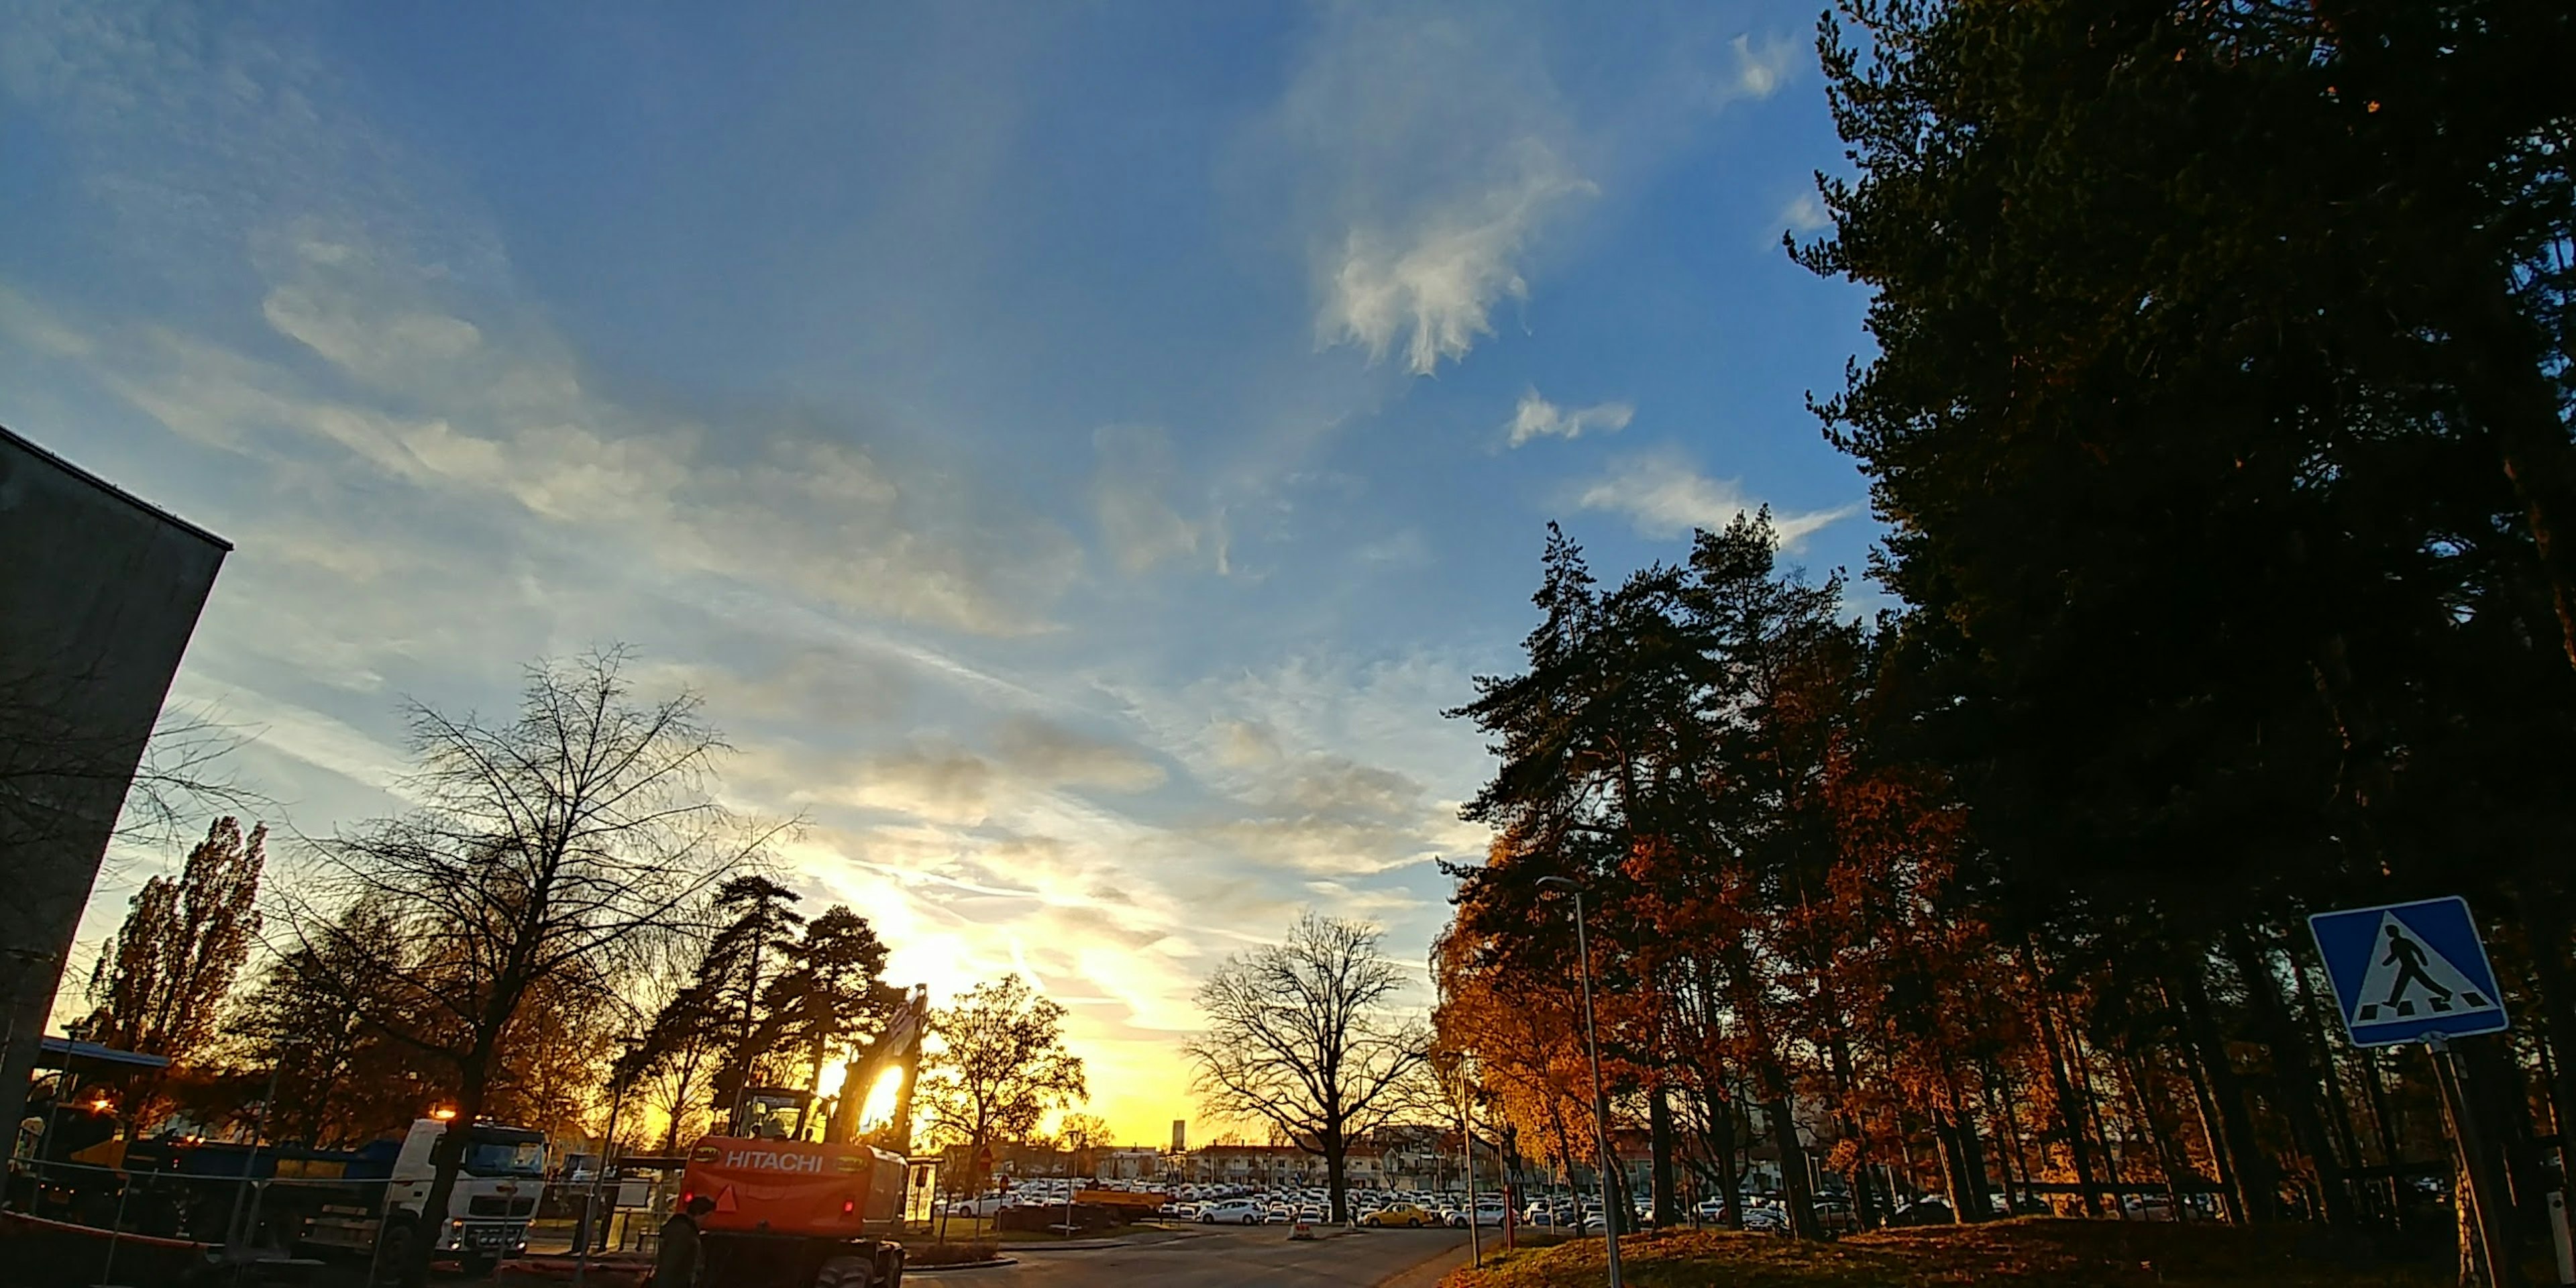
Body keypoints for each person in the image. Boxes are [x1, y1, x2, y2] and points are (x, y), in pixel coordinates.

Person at [2381, 925, 2453, 1010]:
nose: (2388, 933)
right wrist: (2386, 962)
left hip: (2411, 965)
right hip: (2406, 966)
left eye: (2389, 931)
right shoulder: (2393, 943)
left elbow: (2417, 950)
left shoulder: (2406, 941)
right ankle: (2393, 1003)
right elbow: (2394, 955)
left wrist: (2424, 961)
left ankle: (2447, 993)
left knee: (2423, 983)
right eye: (2387, 932)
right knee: (2405, 984)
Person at [653, 1194, 717, 1287]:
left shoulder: (683, 1230)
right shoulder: (684, 1234)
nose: (708, 1221)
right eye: (707, 1217)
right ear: (699, 1214)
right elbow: (670, 1267)